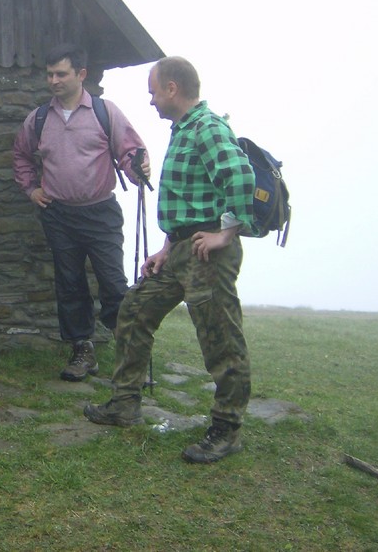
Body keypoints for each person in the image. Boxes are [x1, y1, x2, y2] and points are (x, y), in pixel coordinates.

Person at [83, 56, 256, 464]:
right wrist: (165, 248)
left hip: (206, 253)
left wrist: (226, 233)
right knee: (134, 310)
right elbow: (187, 199)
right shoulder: (184, 130)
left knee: (219, 337)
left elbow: (240, 177)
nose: (151, 100)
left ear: (172, 89)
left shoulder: (208, 127)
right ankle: (125, 404)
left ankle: (227, 428)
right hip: (180, 249)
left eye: (153, 91)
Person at [13, 43, 149, 381]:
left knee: (113, 283)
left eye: (61, 74)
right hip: (58, 214)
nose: (54, 81)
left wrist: (138, 170)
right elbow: (21, 155)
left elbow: (131, 152)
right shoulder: (39, 119)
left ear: (81, 74)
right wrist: (31, 189)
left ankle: (129, 355)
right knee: (70, 284)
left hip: (101, 212)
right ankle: (82, 351)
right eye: (50, 75)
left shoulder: (105, 112)